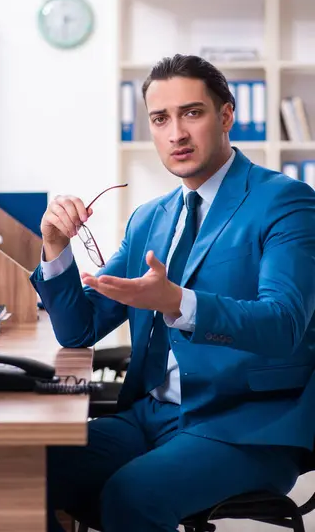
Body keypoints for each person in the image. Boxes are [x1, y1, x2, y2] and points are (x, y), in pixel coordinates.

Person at [30, 54, 315, 532]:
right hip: (151, 413)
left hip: (247, 425)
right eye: (161, 119)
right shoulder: (150, 218)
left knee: (131, 495)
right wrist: (55, 248)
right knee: (22, 475)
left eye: (192, 113)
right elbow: (79, 329)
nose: (176, 133)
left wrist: (177, 302)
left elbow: (283, 323)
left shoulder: (286, 201)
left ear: (226, 116)